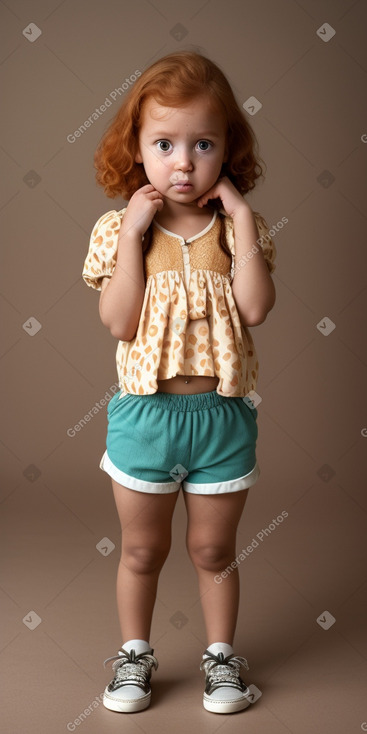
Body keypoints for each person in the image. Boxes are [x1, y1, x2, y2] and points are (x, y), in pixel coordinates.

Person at [82, 50, 277, 715]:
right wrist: (134, 236)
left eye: (202, 144)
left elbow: (254, 308)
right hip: (145, 417)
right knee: (141, 548)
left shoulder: (234, 232)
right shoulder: (120, 231)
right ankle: (133, 655)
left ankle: (222, 662)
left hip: (220, 418)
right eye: (164, 144)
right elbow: (118, 320)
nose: (184, 162)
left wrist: (245, 222)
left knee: (213, 549)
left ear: (227, 149)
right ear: (137, 149)